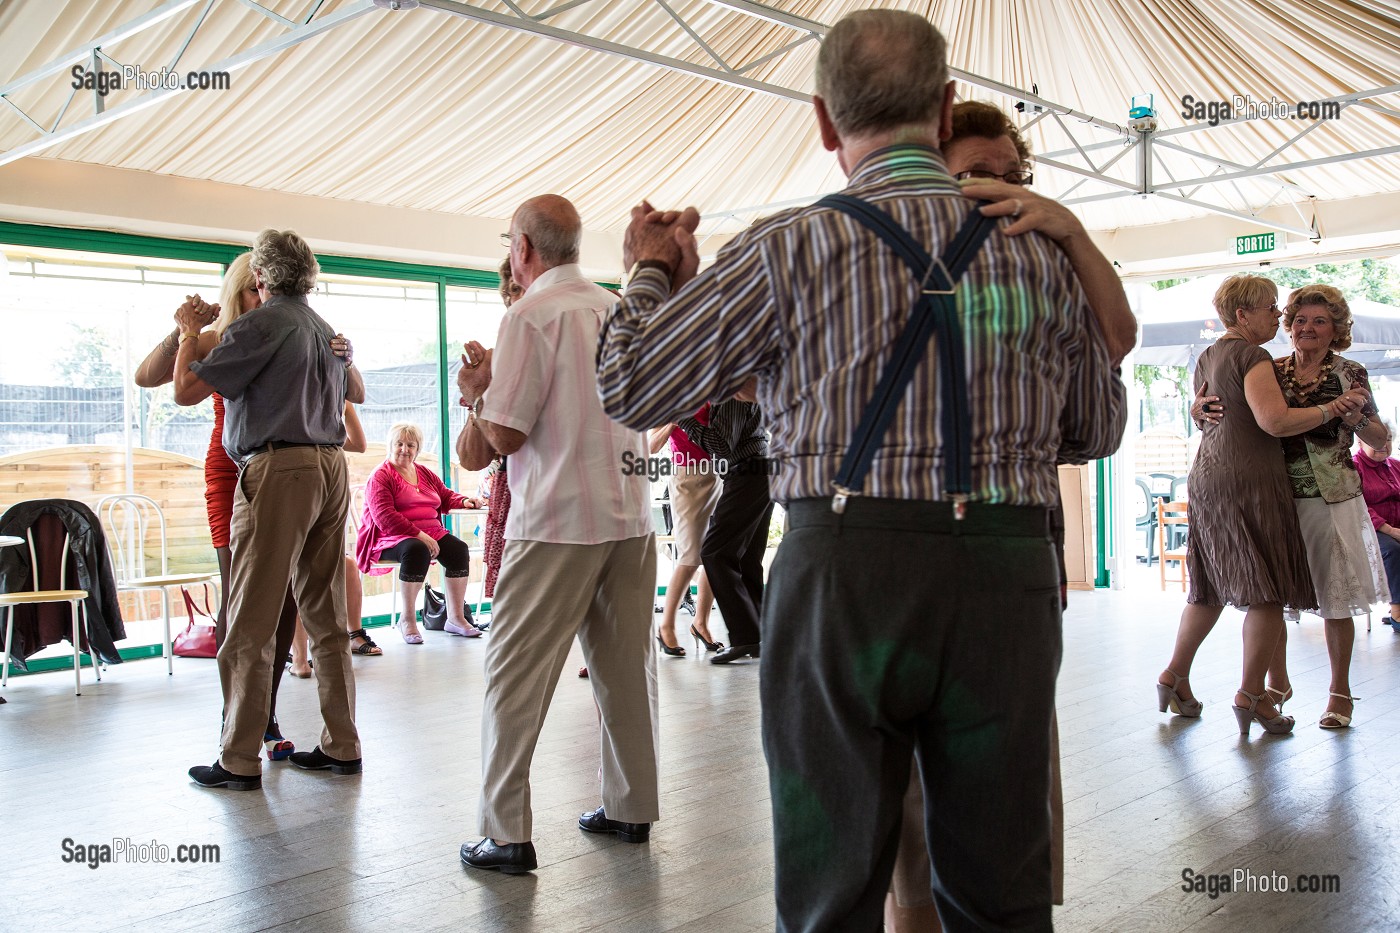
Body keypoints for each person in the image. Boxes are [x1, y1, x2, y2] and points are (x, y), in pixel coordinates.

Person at [596, 9, 1126, 928]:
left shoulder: (788, 242)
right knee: (1002, 889)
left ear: (825, 122)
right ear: (946, 103)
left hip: (845, 576)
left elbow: (633, 383)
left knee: (830, 881)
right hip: (1006, 576)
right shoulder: (1039, 247)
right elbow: (1095, 425)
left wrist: (649, 268)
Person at [882, 97, 1132, 931]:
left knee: (1008, 784)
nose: (997, 188)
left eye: (1012, 175)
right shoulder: (887, 254)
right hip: (897, 553)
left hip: (1010, 554)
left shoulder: (1041, 261)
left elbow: (1117, 339)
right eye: (977, 172)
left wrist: (1070, 229)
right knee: (906, 814)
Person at [455, 195, 659, 875]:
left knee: (512, 677)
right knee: (626, 671)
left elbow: (505, 435)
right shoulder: (619, 308)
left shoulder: (529, 315)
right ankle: (631, 808)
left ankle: (506, 832)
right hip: (629, 516)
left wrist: (477, 391)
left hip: (555, 522)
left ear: (524, 249)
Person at [134, 252, 358, 760]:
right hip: (264, 469)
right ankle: (304, 735)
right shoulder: (293, 328)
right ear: (240, 290)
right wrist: (184, 331)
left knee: (260, 612)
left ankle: (243, 745)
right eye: (249, 293)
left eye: (260, 289)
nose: (256, 298)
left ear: (265, 279)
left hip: (275, 466)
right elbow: (149, 376)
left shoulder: (266, 328)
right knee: (262, 604)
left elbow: (184, 392)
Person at [1160, 275, 1369, 738]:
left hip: (1232, 479)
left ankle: (1177, 676)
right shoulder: (1259, 359)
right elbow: (1271, 421)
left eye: (1312, 319)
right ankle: (1256, 693)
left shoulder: (1209, 356)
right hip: (1255, 482)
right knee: (1268, 593)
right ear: (1242, 315)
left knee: (1212, 587)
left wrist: (1358, 418)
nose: (1283, 318)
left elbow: (1216, 414)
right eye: (1280, 311)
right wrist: (1333, 409)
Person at [355, 422, 483, 643]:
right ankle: (407, 620)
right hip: (390, 537)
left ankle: (455, 618)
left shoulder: (423, 472)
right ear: (391, 446)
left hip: (429, 532)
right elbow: (385, 518)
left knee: (458, 550)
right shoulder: (381, 476)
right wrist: (420, 535)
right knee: (416, 550)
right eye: (400, 444)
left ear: (418, 449)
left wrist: (464, 500)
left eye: (410, 445)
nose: (405, 449)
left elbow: (444, 495)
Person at [675, 398, 772, 664]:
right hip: (761, 471)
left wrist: (683, 417)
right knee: (746, 560)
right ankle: (761, 636)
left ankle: (745, 638)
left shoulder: (731, 392)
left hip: (749, 473)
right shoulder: (734, 390)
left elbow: (721, 445)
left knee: (715, 553)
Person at [648, 413, 721, 654]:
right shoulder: (671, 397)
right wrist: (672, 421)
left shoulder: (713, 391)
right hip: (687, 477)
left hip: (718, 474)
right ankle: (665, 626)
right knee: (690, 556)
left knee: (716, 554)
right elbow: (651, 446)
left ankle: (701, 622)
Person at [481, 258, 524, 606]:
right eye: (510, 290)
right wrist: (476, 396)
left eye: (520, 287)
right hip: (510, 481)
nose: (516, 297)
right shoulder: (499, 353)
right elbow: (474, 454)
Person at [1355, 436, 1400, 627]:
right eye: (1376, 439)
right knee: (1393, 550)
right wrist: (1390, 530)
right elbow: (1359, 506)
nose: (1383, 444)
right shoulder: (1353, 467)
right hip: (1369, 528)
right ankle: (1397, 611)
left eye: (1388, 439)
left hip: (1396, 525)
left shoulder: (1396, 465)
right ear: (1360, 443)